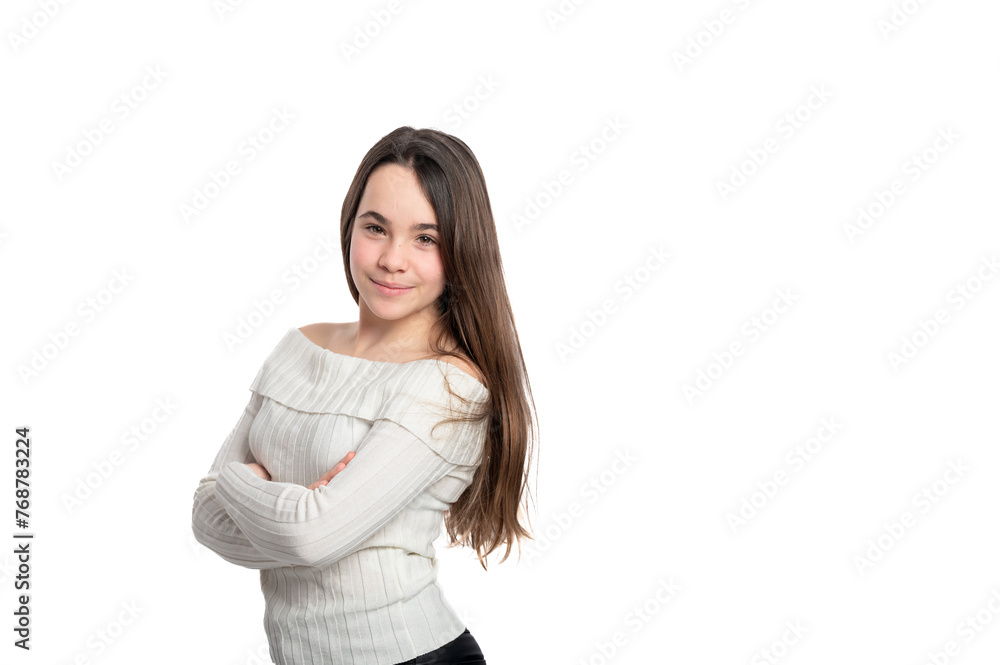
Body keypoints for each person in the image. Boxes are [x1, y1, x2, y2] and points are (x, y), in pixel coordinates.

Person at [191, 126, 537, 665]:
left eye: (426, 238)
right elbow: (207, 520)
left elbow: (309, 539)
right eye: (376, 228)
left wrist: (240, 482)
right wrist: (295, 514)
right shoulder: (298, 348)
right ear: (349, 227)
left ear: (461, 250)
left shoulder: (448, 387)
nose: (392, 259)